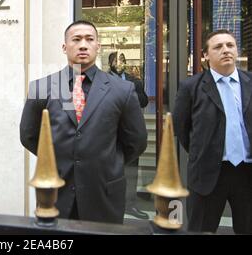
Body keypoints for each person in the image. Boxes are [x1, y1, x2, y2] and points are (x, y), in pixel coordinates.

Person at [20, 20, 147, 224]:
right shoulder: (42, 88)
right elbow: (29, 135)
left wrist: (107, 162)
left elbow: (137, 140)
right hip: (56, 190)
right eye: (76, 39)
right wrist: (59, 159)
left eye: (89, 39)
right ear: (64, 47)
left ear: (98, 46)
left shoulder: (122, 90)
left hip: (104, 190)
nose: (83, 45)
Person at [173, 29, 252, 234]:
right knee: (202, 229)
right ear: (205, 55)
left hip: (247, 172)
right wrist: (202, 152)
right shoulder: (191, 87)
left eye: (230, 45)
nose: (226, 50)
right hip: (208, 174)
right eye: (218, 47)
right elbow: (182, 128)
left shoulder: (249, 82)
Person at [108, 52, 149, 220]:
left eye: (123, 60)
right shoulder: (101, 79)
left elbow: (144, 101)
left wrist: (133, 90)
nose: (120, 63)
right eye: (117, 60)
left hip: (130, 131)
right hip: (109, 132)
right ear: (110, 62)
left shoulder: (134, 80)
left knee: (131, 170)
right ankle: (110, 204)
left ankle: (130, 204)